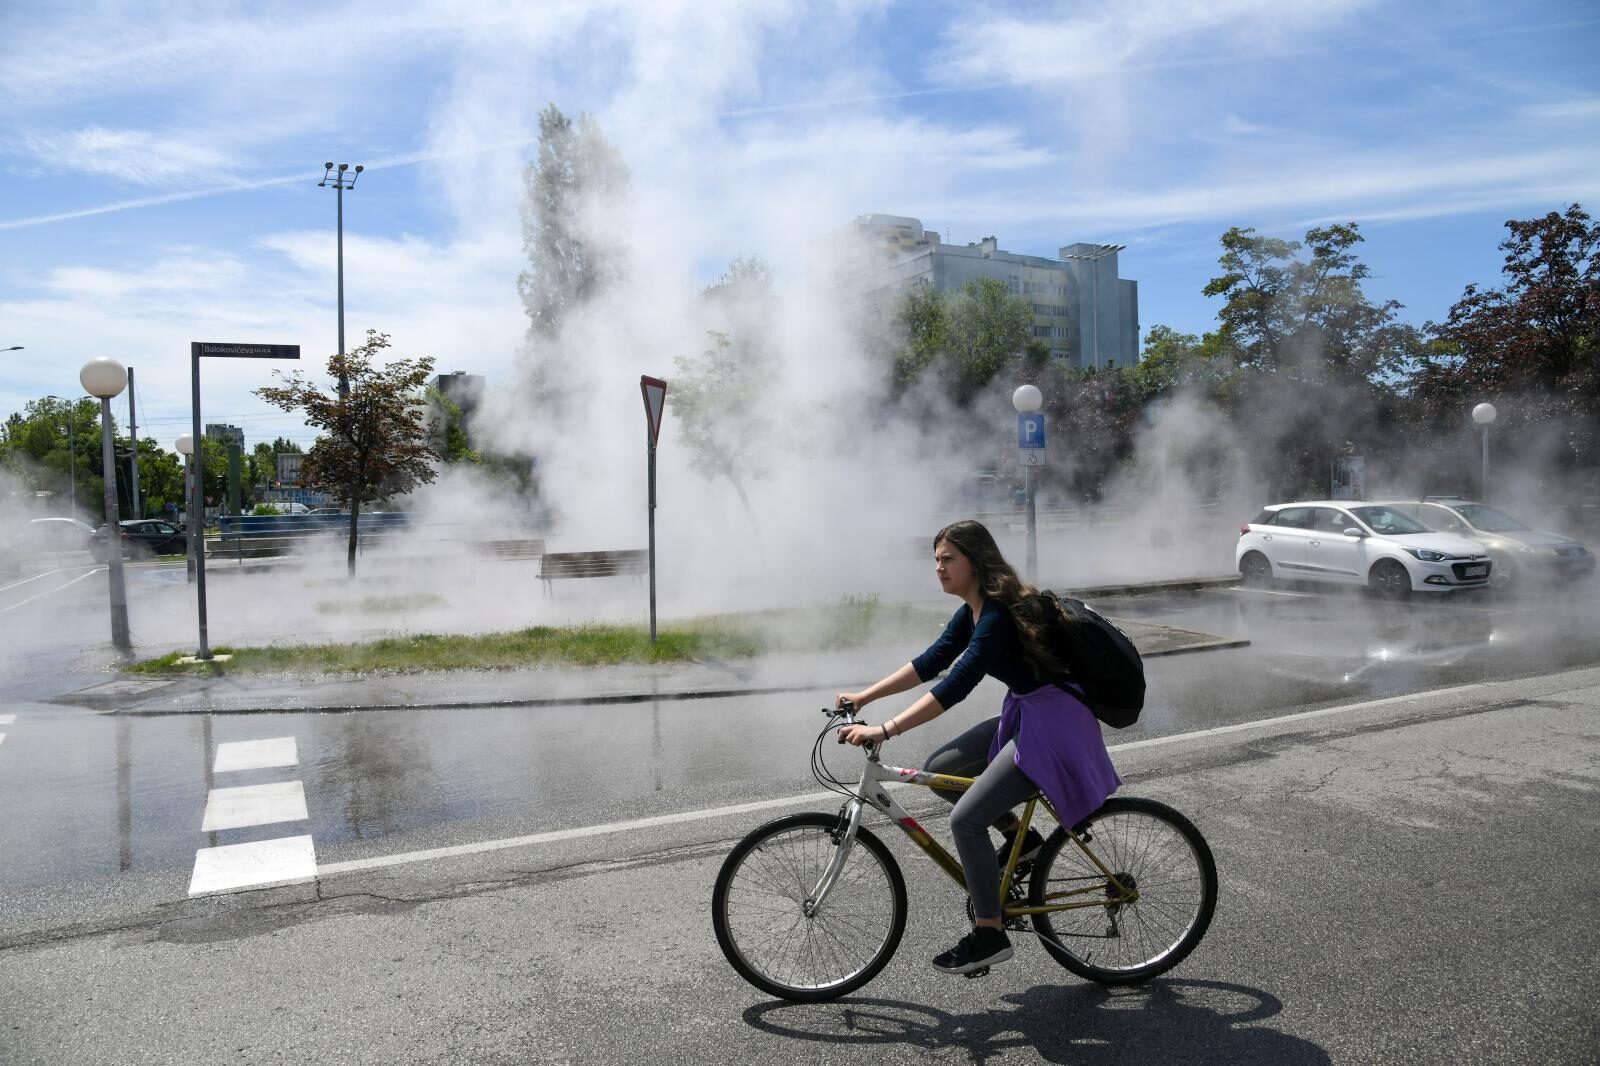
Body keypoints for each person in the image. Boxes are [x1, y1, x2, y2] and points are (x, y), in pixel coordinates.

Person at [837, 519, 1121, 976]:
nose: (939, 567)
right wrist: (864, 697)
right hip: (1029, 712)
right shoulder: (973, 610)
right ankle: (1023, 841)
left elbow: (956, 685)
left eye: (948, 559)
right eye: (936, 560)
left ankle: (989, 933)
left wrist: (885, 730)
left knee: (966, 821)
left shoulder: (997, 615)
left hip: (1054, 726)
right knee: (942, 769)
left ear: (975, 561)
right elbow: (931, 661)